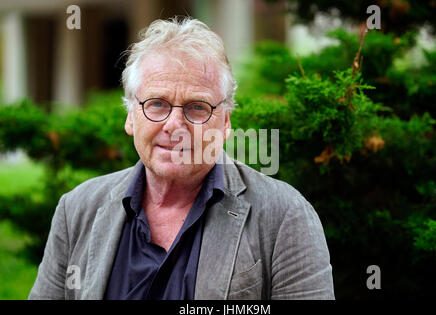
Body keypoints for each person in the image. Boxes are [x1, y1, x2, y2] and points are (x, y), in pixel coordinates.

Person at [28, 17, 334, 300]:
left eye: (197, 107)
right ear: (131, 116)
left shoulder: (284, 216)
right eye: (157, 104)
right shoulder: (77, 210)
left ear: (225, 121)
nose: (174, 125)